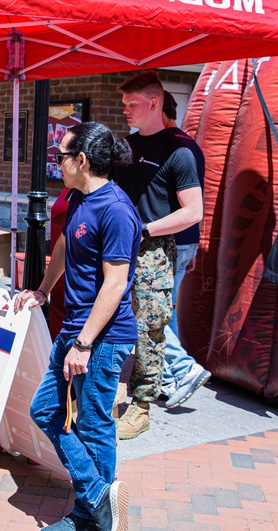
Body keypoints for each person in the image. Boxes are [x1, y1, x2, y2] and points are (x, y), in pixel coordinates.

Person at [15, 122, 139, 531]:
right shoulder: (78, 198)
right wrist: (42, 291)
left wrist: (83, 343)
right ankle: (99, 496)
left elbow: (116, 283)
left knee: (93, 421)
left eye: (61, 158)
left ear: (81, 160)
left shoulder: (117, 210)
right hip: (75, 328)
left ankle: (92, 518)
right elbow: (66, 245)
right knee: (46, 409)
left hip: (101, 336)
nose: (58, 165)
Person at [112, 72, 203, 440]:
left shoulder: (178, 151)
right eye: (124, 105)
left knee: (150, 328)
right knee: (116, 321)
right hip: (120, 248)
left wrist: (146, 230)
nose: (126, 111)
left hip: (152, 252)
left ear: (153, 104)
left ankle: (142, 405)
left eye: (132, 105)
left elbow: (193, 211)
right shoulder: (126, 147)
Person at [159, 91, 211, 408]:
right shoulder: (192, 146)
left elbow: (188, 204)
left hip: (171, 242)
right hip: (186, 240)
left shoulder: (172, 147)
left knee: (151, 312)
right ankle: (170, 377)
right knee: (167, 309)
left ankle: (183, 369)